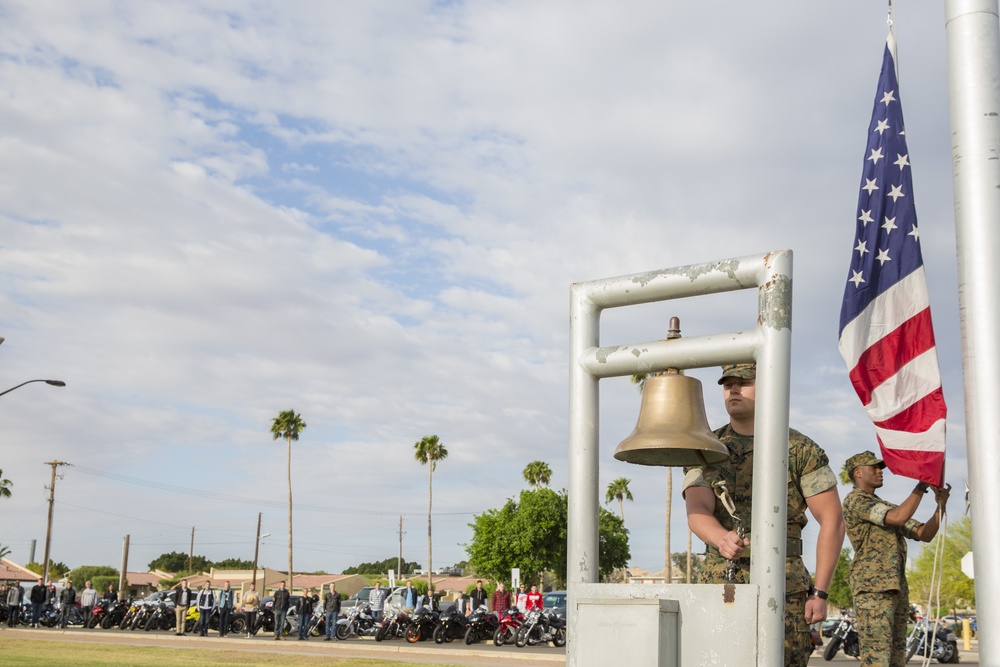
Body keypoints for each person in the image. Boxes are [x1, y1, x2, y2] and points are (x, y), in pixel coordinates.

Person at [683, 364, 845, 667]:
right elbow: (697, 509)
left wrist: (821, 593)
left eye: (743, 382)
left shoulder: (800, 449)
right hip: (721, 584)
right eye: (727, 383)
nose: (733, 389)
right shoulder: (706, 447)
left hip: (785, 588)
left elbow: (833, 521)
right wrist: (720, 537)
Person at [843, 451, 951, 667]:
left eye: (880, 467)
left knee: (896, 659)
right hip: (873, 589)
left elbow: (924, 534)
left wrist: (941, 505)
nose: (879, 471)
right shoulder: (855, 500)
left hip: (896, 587)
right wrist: (921, 486)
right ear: (858, 473)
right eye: (873, 467)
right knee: (877, 660)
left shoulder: (885, 505)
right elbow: (898, 517)